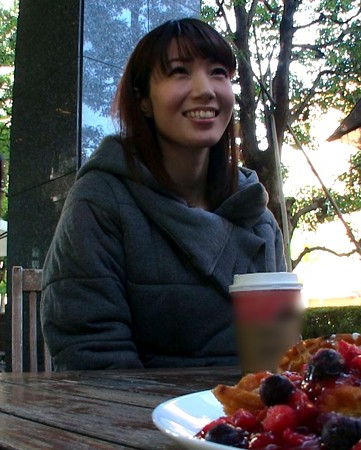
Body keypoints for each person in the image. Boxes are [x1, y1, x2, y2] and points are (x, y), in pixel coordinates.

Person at [40, 18, 286, 371]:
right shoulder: (99, 201)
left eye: (218, 72)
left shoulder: (257, 214)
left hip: (247, 406)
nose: (205, 89)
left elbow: (275, 356)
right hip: (138, 406)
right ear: (143, 100)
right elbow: (93, 355)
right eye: (179, 72)